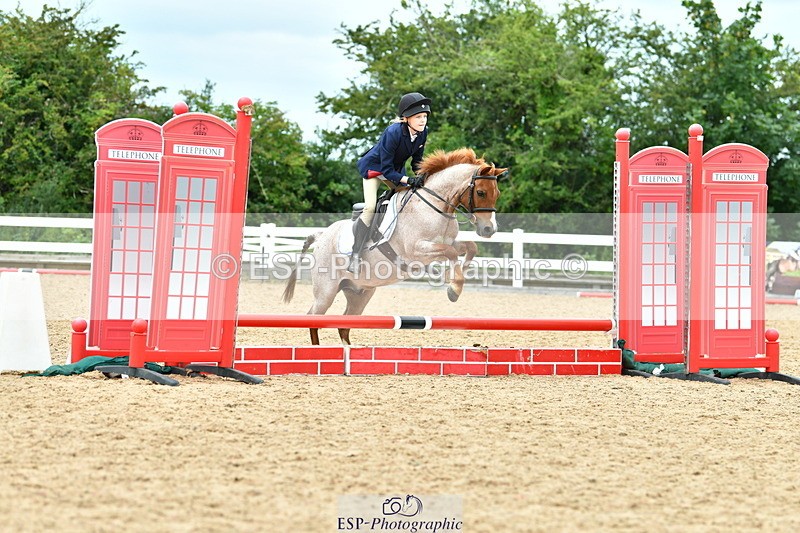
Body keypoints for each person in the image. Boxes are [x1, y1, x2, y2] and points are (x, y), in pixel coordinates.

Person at [348, 92, 431, 273]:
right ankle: (354, 255)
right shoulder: (392, 132)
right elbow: (385, 170)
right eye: (418, 117)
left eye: (424, 116)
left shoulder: (422, 133)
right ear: (406, 118)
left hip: (394, 171)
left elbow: (417, 162)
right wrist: (409, 179)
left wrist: (423, 177)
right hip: (375, 170)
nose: (423, 120)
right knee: (370, 207)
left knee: (410, 199)